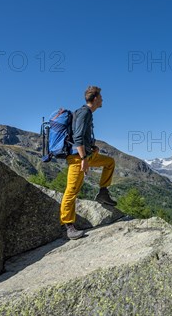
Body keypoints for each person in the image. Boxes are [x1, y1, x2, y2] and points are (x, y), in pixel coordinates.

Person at [60, 85, 117, 240]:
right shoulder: (85, 112)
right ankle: (68, 226)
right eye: (101, 97)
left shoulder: (86, 113)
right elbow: (77, 137)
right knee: (72, 190)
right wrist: (84, 159)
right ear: (96, 98)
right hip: (78, 157)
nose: (103, 100)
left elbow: (81, 137)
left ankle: (103, 193)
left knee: (109, 162)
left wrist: (92, 147)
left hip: (86, 154)